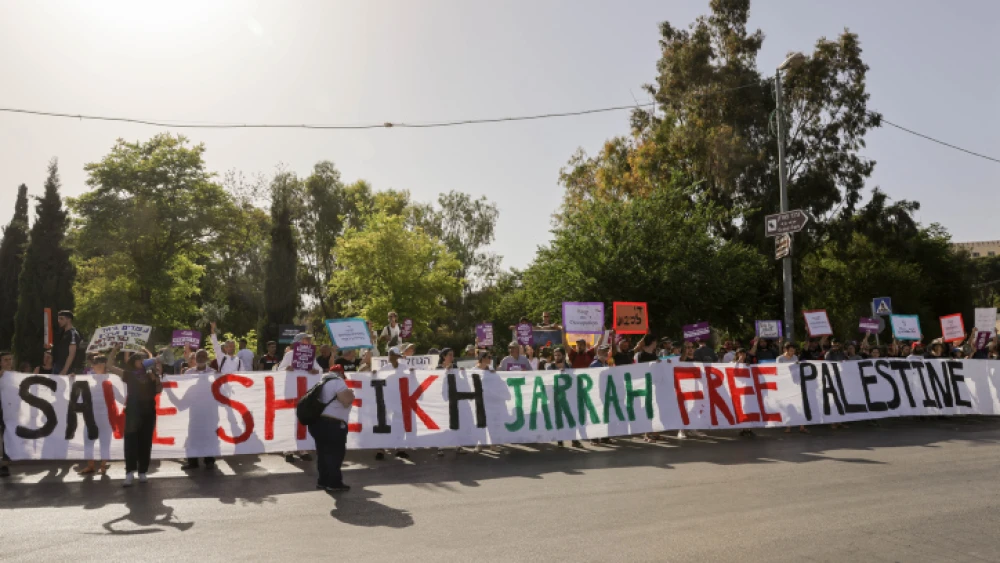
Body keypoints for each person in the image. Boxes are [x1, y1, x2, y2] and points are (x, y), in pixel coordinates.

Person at [115, 351, 163, 487]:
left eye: (144, 359)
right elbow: (109, 366)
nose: (142, 361)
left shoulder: (151, 374)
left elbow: (159, 390)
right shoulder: (129, 375)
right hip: (133, 413)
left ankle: (143, 471)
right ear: (134, 361)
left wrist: (155, 377)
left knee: (145, 442)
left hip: (148, 413)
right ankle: (129, 472)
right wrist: (115, 349)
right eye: (139, 359)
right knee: (130, 443)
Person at [308, 370, 356, 492]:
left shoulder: (320, 383)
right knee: (335, 454)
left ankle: (323, 481)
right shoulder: (338, 382)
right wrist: (351, 394)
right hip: (333, 424)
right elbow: (346, 401)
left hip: (318, 424)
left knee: (323, 453)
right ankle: (334, 483)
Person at [278, 333, 321, 462]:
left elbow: (319, 370)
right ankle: (288, 450)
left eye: (309, 339)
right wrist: (287, 368)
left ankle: (303, 449)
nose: (309, 341)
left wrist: (315, 371)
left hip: (305, 392)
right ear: (299, 341)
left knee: (304, 419)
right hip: (292, 392)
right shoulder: (289, 355)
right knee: (290, 420)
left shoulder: (311, 356)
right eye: (306, 339)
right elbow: (279, 370)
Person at [180, 350, 218, 470]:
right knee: (193, 435)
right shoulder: (188, 373)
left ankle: (209, 461)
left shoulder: (214, 373)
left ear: (207, 358)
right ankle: (193, 462)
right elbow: (182, 388)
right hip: (194, 410)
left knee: (210, 435)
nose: (200, 358)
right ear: (195, 359)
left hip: (210, 411)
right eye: (198, 356)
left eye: (203, 356)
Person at [77, 354, 112, 475]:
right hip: (90, 417)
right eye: (93, 364)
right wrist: (72, 379)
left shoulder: (111, 381)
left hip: (105, 417)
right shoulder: (89, 379)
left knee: (105, 441)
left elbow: (121, 398)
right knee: (88, 440)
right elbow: (80, 393)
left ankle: (103, 465)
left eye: (95, 364)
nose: (93, 366)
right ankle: (91, 466)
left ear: (102, 365)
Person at [375, 347, 411, 460]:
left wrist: (413, 373)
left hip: (399, 399)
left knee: (399, 423)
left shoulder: (404, 368)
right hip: (386, 399)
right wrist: (373, 374)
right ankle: (381, 449)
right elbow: (376, 379)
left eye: (393, 355)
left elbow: (410, 379)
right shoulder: (384, 369)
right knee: (384, 423)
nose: (390, 357)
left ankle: (400, 448)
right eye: (390, 355)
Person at [546, 348, 583, 448]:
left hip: (568, 397)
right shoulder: (550, 368)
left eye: (558, 355)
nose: (557, 357)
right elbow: (547, 381)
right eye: (555, 355)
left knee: (571, 417)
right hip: (555, 397)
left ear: (563, 356)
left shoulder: (569, 366)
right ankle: (560, 440)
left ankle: (574, 440)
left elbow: (573, 379)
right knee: (558, 418)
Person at [776, 343, 810, 434]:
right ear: (785, 350)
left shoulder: (795, 357)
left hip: (795, 384)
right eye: (791, 350)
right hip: (785, 385)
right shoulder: (780, 359)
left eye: (793, 350)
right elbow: (778, 370)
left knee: (799, 404)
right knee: (788, 405)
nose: (792, 352)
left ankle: (802, 426)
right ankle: (788, 426)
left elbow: (797, 369)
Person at [52, 310, 83, 376]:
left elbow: (72, 353)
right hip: (57, 365)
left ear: (69, 319)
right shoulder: (62, 333)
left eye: (61, 318)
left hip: (67, 368)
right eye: (58, 318)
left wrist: (64, 370)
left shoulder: (73, 333)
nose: (59, 321)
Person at [0, 350, 12, 478]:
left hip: (7, 411)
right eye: (5, 360)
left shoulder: (15, 375)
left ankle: (5, 464)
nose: (9, 362)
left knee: (7, 436)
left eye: (10, 359)